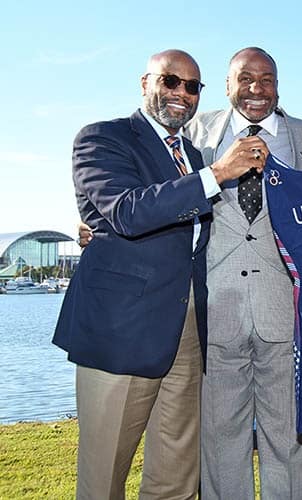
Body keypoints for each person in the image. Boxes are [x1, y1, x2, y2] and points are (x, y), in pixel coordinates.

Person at [53, 49, 266, 499]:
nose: (182, 94)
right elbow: (128, 211)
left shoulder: (189, 153)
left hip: (185, 328)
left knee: (177, 473)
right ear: (145, 82)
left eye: (193, 87)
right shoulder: (103, 138)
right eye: (171, 81)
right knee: (104, 476)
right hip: (121, 331)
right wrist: (218, 173)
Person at [184, 47, 302, 500]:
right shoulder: (191, 133)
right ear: (226, 85)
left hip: (286, 312)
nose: (256, 88)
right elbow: (157, 194)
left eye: (267, 79)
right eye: (245, 78)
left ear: (278, 86)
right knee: (220, 441)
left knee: (290, 441)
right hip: (216, 309)